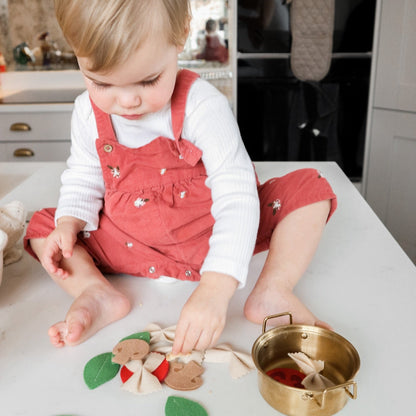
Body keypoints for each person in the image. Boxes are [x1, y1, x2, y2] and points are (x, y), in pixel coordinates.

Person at [24, 0, 337, 352]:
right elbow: (83, 176)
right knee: (42, 227)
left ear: (181, 35)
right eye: (101, 83)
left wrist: (216, 288)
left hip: (209, 237)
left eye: (147, 80)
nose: (126, 101)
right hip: (129, 245)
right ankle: (95, 291)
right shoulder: (85, 112)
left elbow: (237, 196)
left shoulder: (202, 106)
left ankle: (272, 289)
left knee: (311, 189)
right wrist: (69, 222)